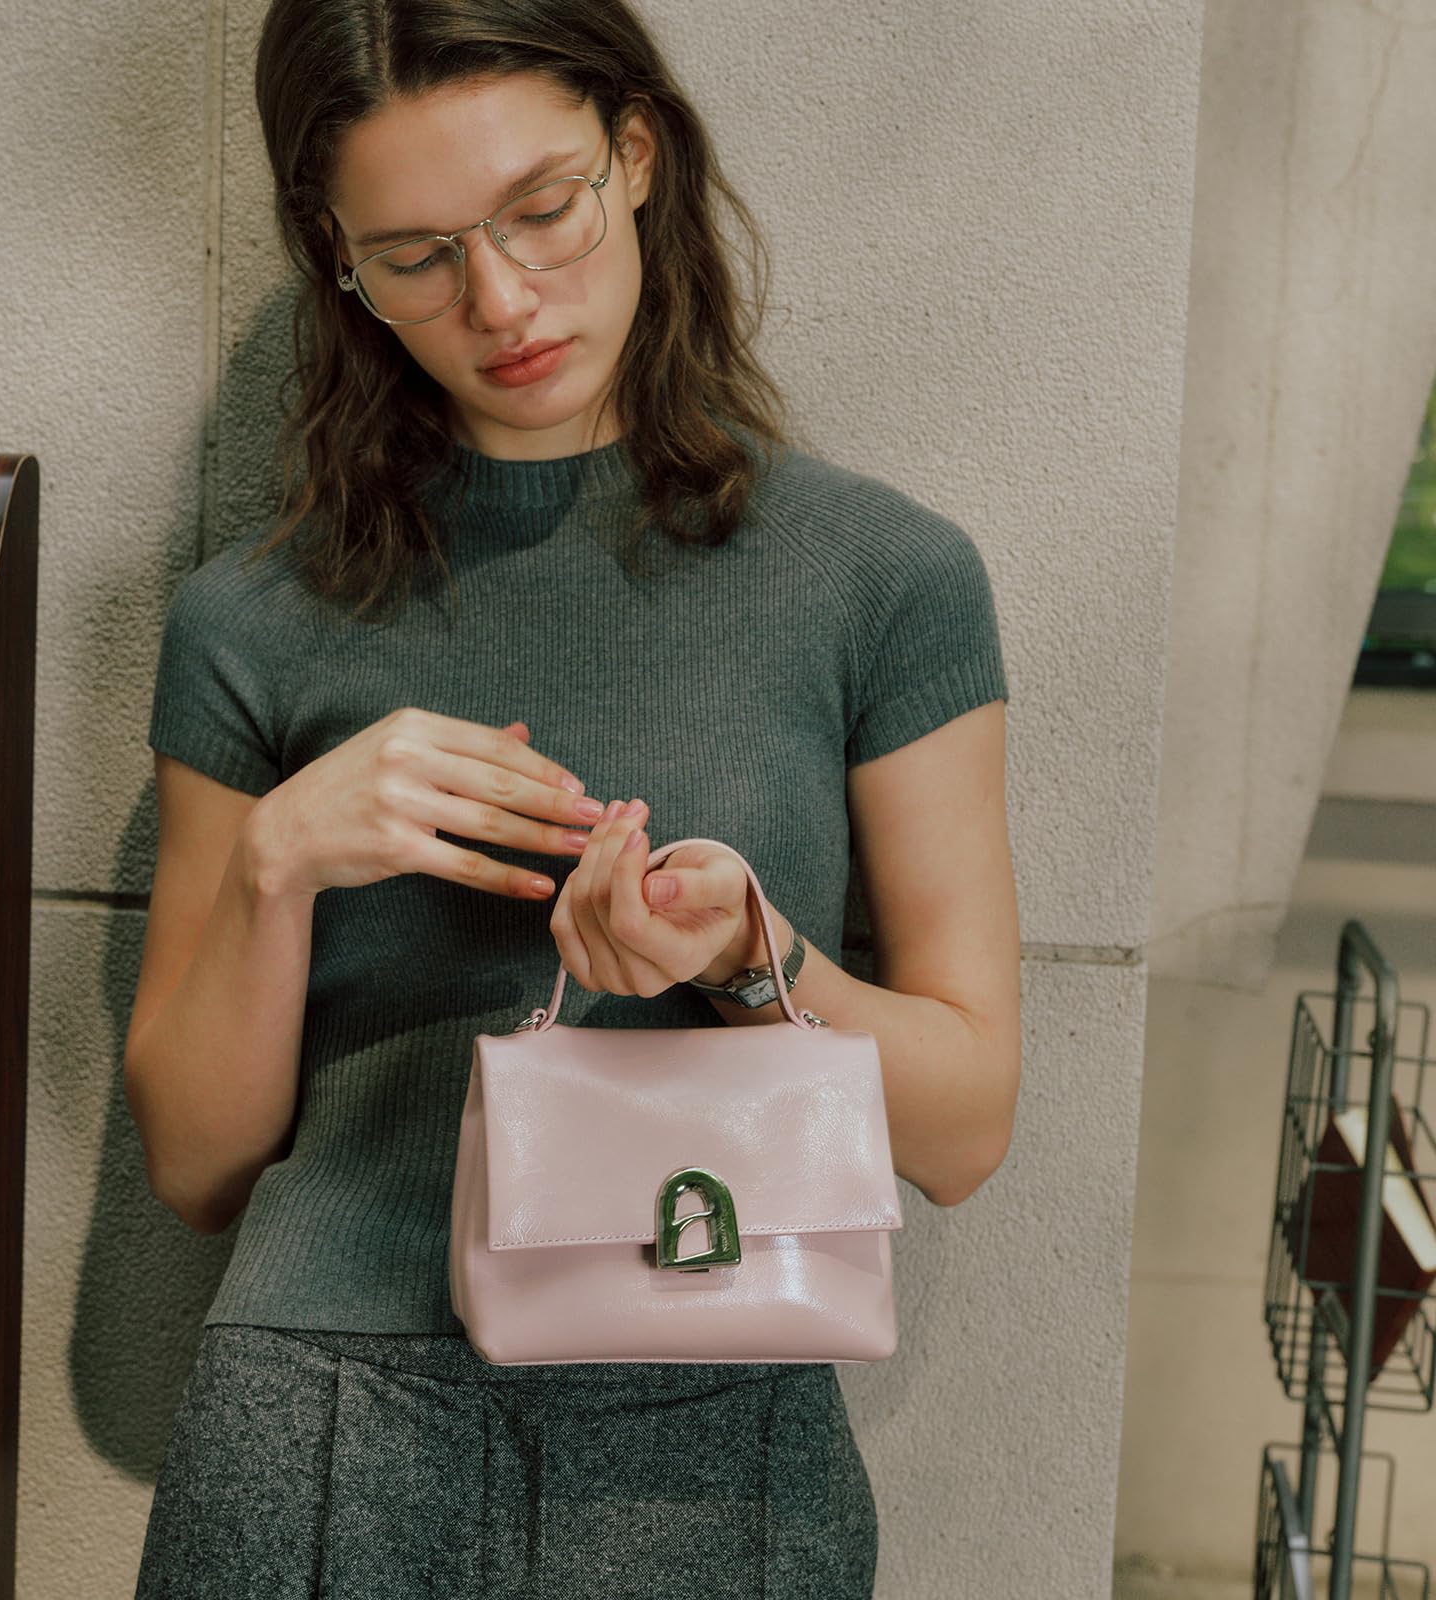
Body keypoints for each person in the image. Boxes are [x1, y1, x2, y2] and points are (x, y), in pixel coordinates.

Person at [125, 1, 1021, 1595]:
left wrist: (749, 963)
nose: (501, 298)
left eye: (542, 210)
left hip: (720, 1409)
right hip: (315, 1418)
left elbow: (964, 1128)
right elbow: (197, 1167)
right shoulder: (249, 620)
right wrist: (281, 861)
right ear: (335, 260)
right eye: (414, 255)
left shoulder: (882, 580)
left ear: (636, 152)